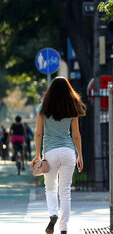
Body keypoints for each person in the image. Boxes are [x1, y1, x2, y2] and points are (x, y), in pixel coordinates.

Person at [31, 77, 85, 234]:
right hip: (68, 152)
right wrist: (80, 155)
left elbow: (39, 133)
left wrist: (37, 155)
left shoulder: (43, 108)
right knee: (65, 190)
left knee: (50, 188)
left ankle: (53, 214)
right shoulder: (72, 108)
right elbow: (76, 135)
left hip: (51, 153)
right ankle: (64, 227)